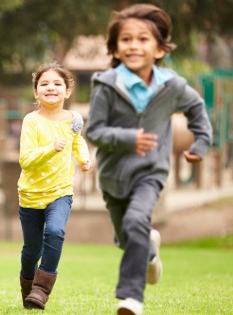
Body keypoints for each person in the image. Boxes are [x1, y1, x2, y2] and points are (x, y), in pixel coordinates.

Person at [86, 4, 213, 315]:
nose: (134, 45)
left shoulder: (172, 86)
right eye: (126, 39)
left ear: (159, 49)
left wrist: (201, 142)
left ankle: (131, 298)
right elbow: (95, 131)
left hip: (150, 172)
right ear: (115, 47)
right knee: (126, 237)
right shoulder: (106, 84)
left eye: (143, 39)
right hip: (113, 175)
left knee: (134, 222)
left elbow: (197, 110)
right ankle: (150, 255)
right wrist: (129, 138)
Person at [17, 62, 91, 310]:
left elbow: (77, 141)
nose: (51, 88)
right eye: (44, 84)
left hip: (60, 191)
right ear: (36, 92)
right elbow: (25, 160)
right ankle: (28, 286)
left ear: (67, 91)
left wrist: (84, 158)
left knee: (55, 232)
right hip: (30, 195)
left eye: (58, 83)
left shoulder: (74, 119)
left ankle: (41, 289)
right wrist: (51, 149)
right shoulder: (31, 121)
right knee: (31, 251)